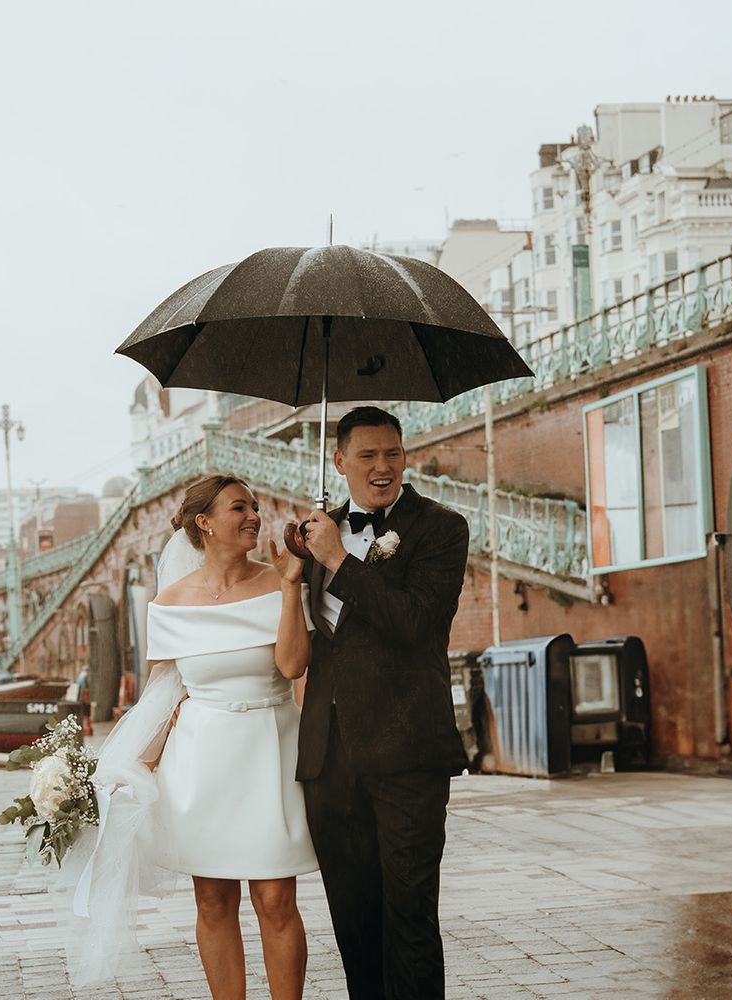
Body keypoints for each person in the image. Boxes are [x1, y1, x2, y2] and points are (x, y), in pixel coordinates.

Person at [59, 474, 317, 999]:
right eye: (238, 509)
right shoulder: (170, 603)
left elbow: (293, 666)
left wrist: (292, 586)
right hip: (202, 762)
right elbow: (164, 693)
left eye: (254, 508)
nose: (253, 518)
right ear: (204, 523)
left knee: (275, 899)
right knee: (214, 901)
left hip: (270, 748)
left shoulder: (281, 582)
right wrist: (127, 770)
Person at [296, 406, 470, 1000]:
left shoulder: (442, 528)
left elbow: (416, 622)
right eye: (366, 456)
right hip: (330, 758)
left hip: (407, 756)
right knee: (354, 924)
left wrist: (338, 562)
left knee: (410, 918)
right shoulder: (316, 535)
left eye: (391, 453)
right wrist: (298, 566)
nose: (382, 467)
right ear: (339, 461)